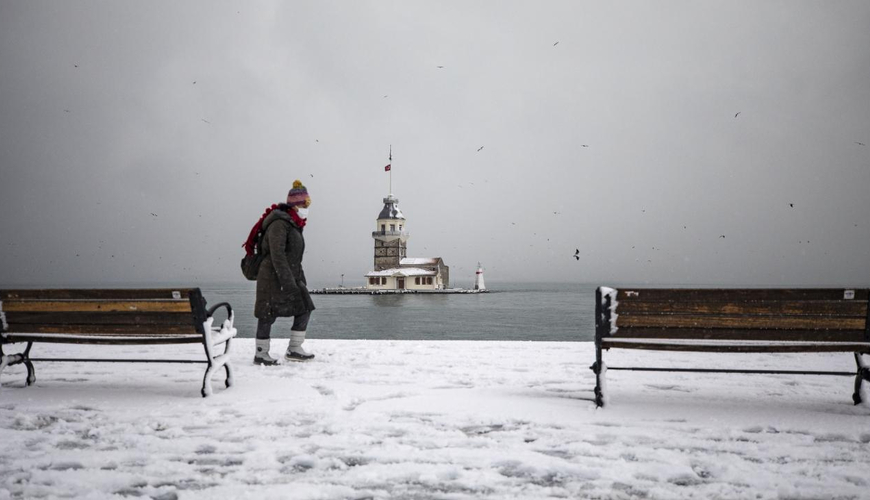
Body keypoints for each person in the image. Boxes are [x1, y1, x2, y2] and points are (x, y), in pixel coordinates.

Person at [253, 180, 316, 365]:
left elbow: (294, 256)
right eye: (305, 204)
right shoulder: (279, 223)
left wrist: (299, 279)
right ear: (296, 205)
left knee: (304, 307)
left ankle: (295, 349)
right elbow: (277, 255)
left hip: (290, 275)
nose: (307, 208)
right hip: (272, 277)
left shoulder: (294, 224)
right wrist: (288, 282)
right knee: (267, 313)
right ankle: (261, 353)